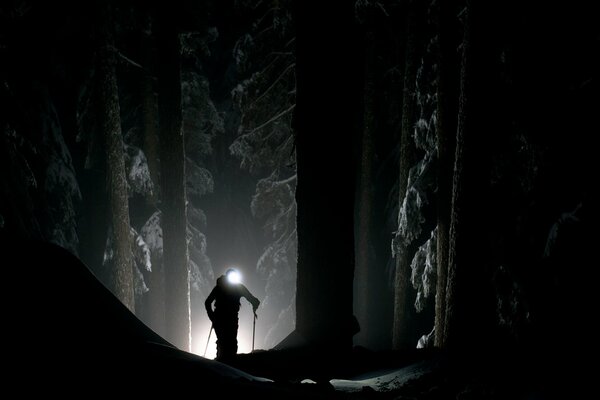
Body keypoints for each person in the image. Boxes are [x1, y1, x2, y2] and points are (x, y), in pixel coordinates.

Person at [205, 268, 260, 361]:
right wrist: (212, 317)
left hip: (223, 319)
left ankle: (223, 364)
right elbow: (252, 299)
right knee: (227, 342)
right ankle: (227, 365)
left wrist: (212, 317)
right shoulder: (232, 288)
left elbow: (207, 302)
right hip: (224, 319)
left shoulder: (221, 287)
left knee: (227, 342)